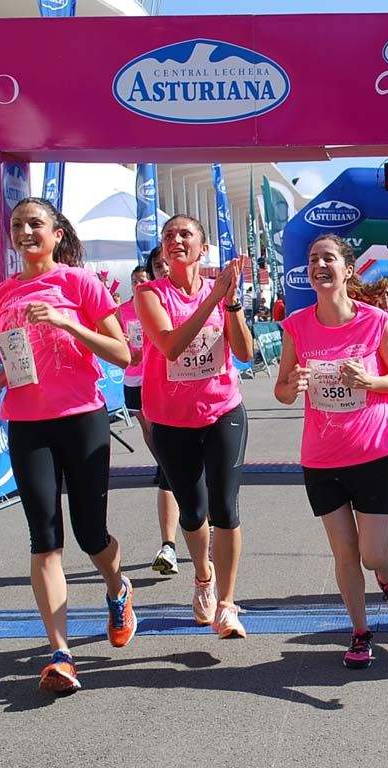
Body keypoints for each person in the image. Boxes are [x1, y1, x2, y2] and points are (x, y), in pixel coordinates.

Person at [0, 197, 134, 693]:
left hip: (81, 418)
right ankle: (61, 654)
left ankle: (118, 588)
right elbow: (19, 356)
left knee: (91, 534)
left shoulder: (79, 283)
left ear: (57, 233)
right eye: (17, 225)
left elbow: (122, 353)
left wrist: (68, 322)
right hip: (27, 423)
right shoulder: (1, 294)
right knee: (44, 538)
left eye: (35, 224)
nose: (25, 232)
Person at [275, 234, 388, 669]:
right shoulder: (297, 325)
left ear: (347, 270)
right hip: (321, 457)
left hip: (371, 450)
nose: (319, 265)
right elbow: (282, 391)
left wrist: (370, 382)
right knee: (344, 552)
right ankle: (359, 631)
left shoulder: (375, 321)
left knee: (372, 554)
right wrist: (292, 385)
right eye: (313, 258)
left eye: (328, 258)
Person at [135, 214, 254, 639]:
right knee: (193, 511)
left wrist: (231, 302)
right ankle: (203, 576)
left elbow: (244, 353)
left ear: (203, 248)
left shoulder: (220, 293)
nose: (176, 239)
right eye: (169, 235)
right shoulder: (150, 294)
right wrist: (214, 298)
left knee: (225, 508)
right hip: (171, 420)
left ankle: (226, 603)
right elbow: (170, 346)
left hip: (223, 410)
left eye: (185, 234)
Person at [116, 264, 182, 575]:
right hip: (135, 377)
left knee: (187, 466)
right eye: (136, 280)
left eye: (144, 278)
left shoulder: (171, 301)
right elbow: (117, 340)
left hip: (173, 385)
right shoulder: (125, 309)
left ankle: (207, 531)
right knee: (151, 432)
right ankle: (169, 545)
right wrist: (127, 349)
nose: (140, 282)